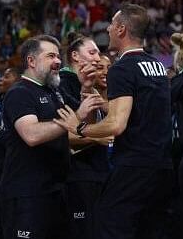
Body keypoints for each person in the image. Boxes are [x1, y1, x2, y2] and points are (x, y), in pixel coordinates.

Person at [54, 3, 174, 239]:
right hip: (162, 167)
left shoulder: (122, 68)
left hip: (133, 167)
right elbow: (142, 111)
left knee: (107, 227)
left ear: (121, 29)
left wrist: (79, 127)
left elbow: (117, 125)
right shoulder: (158, 66)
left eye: (111, 24)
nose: (107, 28)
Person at [0, 35, 101, 239]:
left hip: (56, 191)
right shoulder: (20, 93)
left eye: (58, 56)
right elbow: (31, 134)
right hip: (27, 194)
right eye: (51, 56)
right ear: (31, 61)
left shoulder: (55, 92)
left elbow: (84, 125)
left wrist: (88, 89)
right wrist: (74, 118)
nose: (58, 61)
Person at [58, 32, 111, 239]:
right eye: (92, 52)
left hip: (96, 171)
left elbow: (84, 127)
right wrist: (100, 138)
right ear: (75, 56)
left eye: (98, 53)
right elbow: (66, 133)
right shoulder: (62, 84)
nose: (97, 58)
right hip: (78, 174)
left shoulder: (87, 86)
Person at [0, 67, 21, 239]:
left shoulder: (21, 104)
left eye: (7, 76)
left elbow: (15, 139)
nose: (1, 80)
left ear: (18, 80)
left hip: (13, 173)